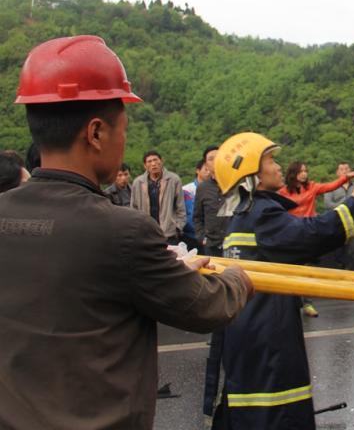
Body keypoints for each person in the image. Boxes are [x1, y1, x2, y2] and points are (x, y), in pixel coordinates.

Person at [0, 35, 252, 429]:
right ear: (96, 132)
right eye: (123, 129)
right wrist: (240, 277)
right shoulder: (123, 231)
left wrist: (164, 270)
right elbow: (207, 306)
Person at [203, 132, 354, 429]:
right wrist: (353, 204)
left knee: (250, 404)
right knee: (278, 408)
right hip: (266, 335)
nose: (278, 167)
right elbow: (308, 235)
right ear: (253, 176)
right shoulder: (262, 214)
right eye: (271, 161)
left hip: (246, 330)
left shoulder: (242, 216)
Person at [130, 150, 187, 243]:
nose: (153, 164)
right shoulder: (138, 183)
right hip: (145, 232)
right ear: (145, 165)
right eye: (149, 161)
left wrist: (178, 227)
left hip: (169, 233)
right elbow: (133, 208)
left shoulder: (173, 180)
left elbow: (180, 207)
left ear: (161, 161)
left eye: (155, 160)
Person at [279, 161, 354, 217]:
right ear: (293, 173)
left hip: (309, 225)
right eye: (300, 172)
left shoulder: (311, 186)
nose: (304, 174)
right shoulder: (283, 191)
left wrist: (345, 177)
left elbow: (331, 186)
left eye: (305, 171)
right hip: (293, 226)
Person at [194, 145, 228, 257]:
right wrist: (202, 237)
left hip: (232, 243)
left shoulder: (234, 183)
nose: (215, 161)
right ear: (206, 165)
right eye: (211, 159)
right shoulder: (202, 188)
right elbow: (197, 217)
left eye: (218, 157)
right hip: (211, 245)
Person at [182, 158, 210, 249]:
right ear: (198, 170)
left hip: (209, 237)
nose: (209, 172)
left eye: (210, 169)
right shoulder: (186, 190)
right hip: (190, 236)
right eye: (206, 169)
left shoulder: (214, 190)